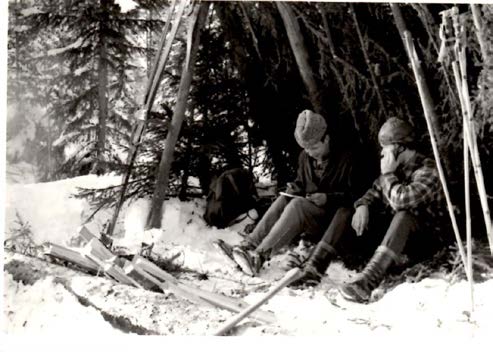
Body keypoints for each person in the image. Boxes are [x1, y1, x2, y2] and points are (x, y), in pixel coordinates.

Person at [293, 117, 445, 301]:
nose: (382, 152)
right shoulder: (397, 167)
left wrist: (388, 173)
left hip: (424, 240)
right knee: (346, 211)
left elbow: (402, 201)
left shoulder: (428, 170)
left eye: (386, 147)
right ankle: (314, 268)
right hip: (395, 239)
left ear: (400, 147)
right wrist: (362, 205)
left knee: (404, 215)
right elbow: (373, 192)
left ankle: (367, 282)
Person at [213, 109, 358, 276]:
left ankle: (259, 256)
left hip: (332, 220)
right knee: (285, 200)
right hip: (311, 212)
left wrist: (328, 198)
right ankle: (248, 246)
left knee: (297, 205)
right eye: (306, 148)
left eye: (314, 147)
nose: (310, 153)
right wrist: (293, 189)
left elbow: (356, 196)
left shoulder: (347, 158)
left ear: (327, 139)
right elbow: (301, 182)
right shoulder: (305, 157)